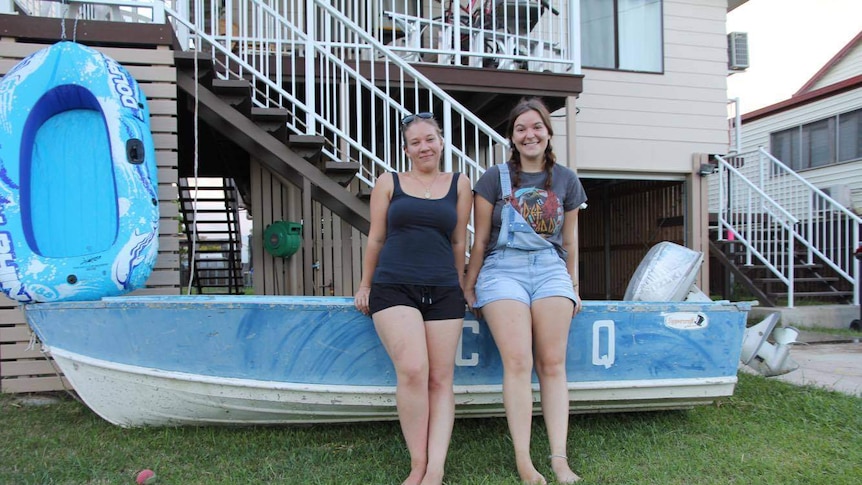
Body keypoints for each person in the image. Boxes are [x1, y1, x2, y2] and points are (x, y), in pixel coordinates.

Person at [464, 98, 586, 484]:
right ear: (512, 137)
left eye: (536, 127)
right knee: (517, 362)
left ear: (548, 133)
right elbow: (480, 241)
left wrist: (572, 285)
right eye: (521, 129)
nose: (529, 134)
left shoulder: (566, 180)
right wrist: (469, 285)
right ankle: (524, 460)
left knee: (552, 363)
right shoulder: (493, 178)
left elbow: (569, 241)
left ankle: (559, 459)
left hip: (550, 270)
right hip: (503, 270)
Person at [354, 112, 472, 485]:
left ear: (441, 142)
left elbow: (458, 241)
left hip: (443, 290)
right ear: (406, 149)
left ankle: (436, 468)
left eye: (430, 139)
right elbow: (376, 237)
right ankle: (417, 464)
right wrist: (364, 284)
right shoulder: (389, 182)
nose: (424, 147)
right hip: (394, 286)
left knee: (440, 378)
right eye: (415, 142)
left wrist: (459, 283)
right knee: (413, 371)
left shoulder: (460, 183)